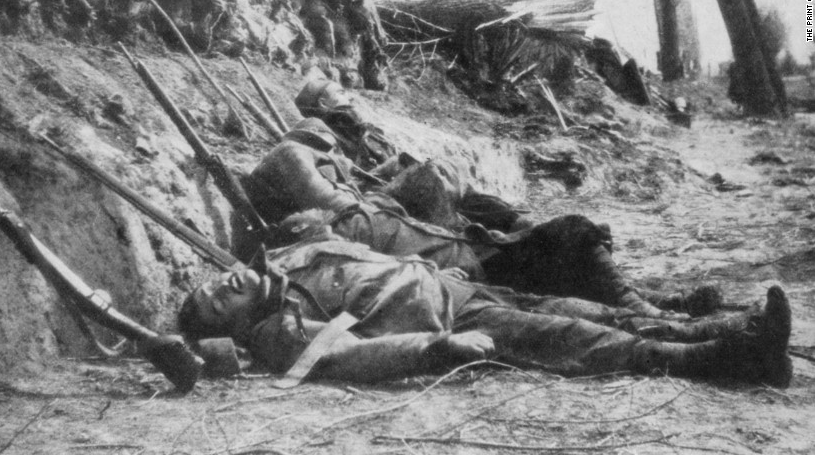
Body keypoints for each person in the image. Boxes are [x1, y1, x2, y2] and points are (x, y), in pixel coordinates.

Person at [243, 118, 720, 318]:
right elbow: (310, 178)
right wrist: (350, 181)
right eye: (332, 155)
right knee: (571, 233)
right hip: (463, 268)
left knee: (564, 265)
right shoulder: (308, 177)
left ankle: (660, 305)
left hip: (466, 255)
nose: (341, 160)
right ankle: (647, 311)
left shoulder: (360, 211)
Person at [177, 234, 792, 387]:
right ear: (235, 324)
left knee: (583, 307)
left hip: (455, 288)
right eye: (216, 302)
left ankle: (738, 332)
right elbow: (349, 357)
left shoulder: (293, 255)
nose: (220, 283)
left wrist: (441, 270)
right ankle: (716, 360)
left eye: (212, 282)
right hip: (452, 323)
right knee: (571, 336)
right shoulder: (279, 332)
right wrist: (433, 349)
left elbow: (373, 254)